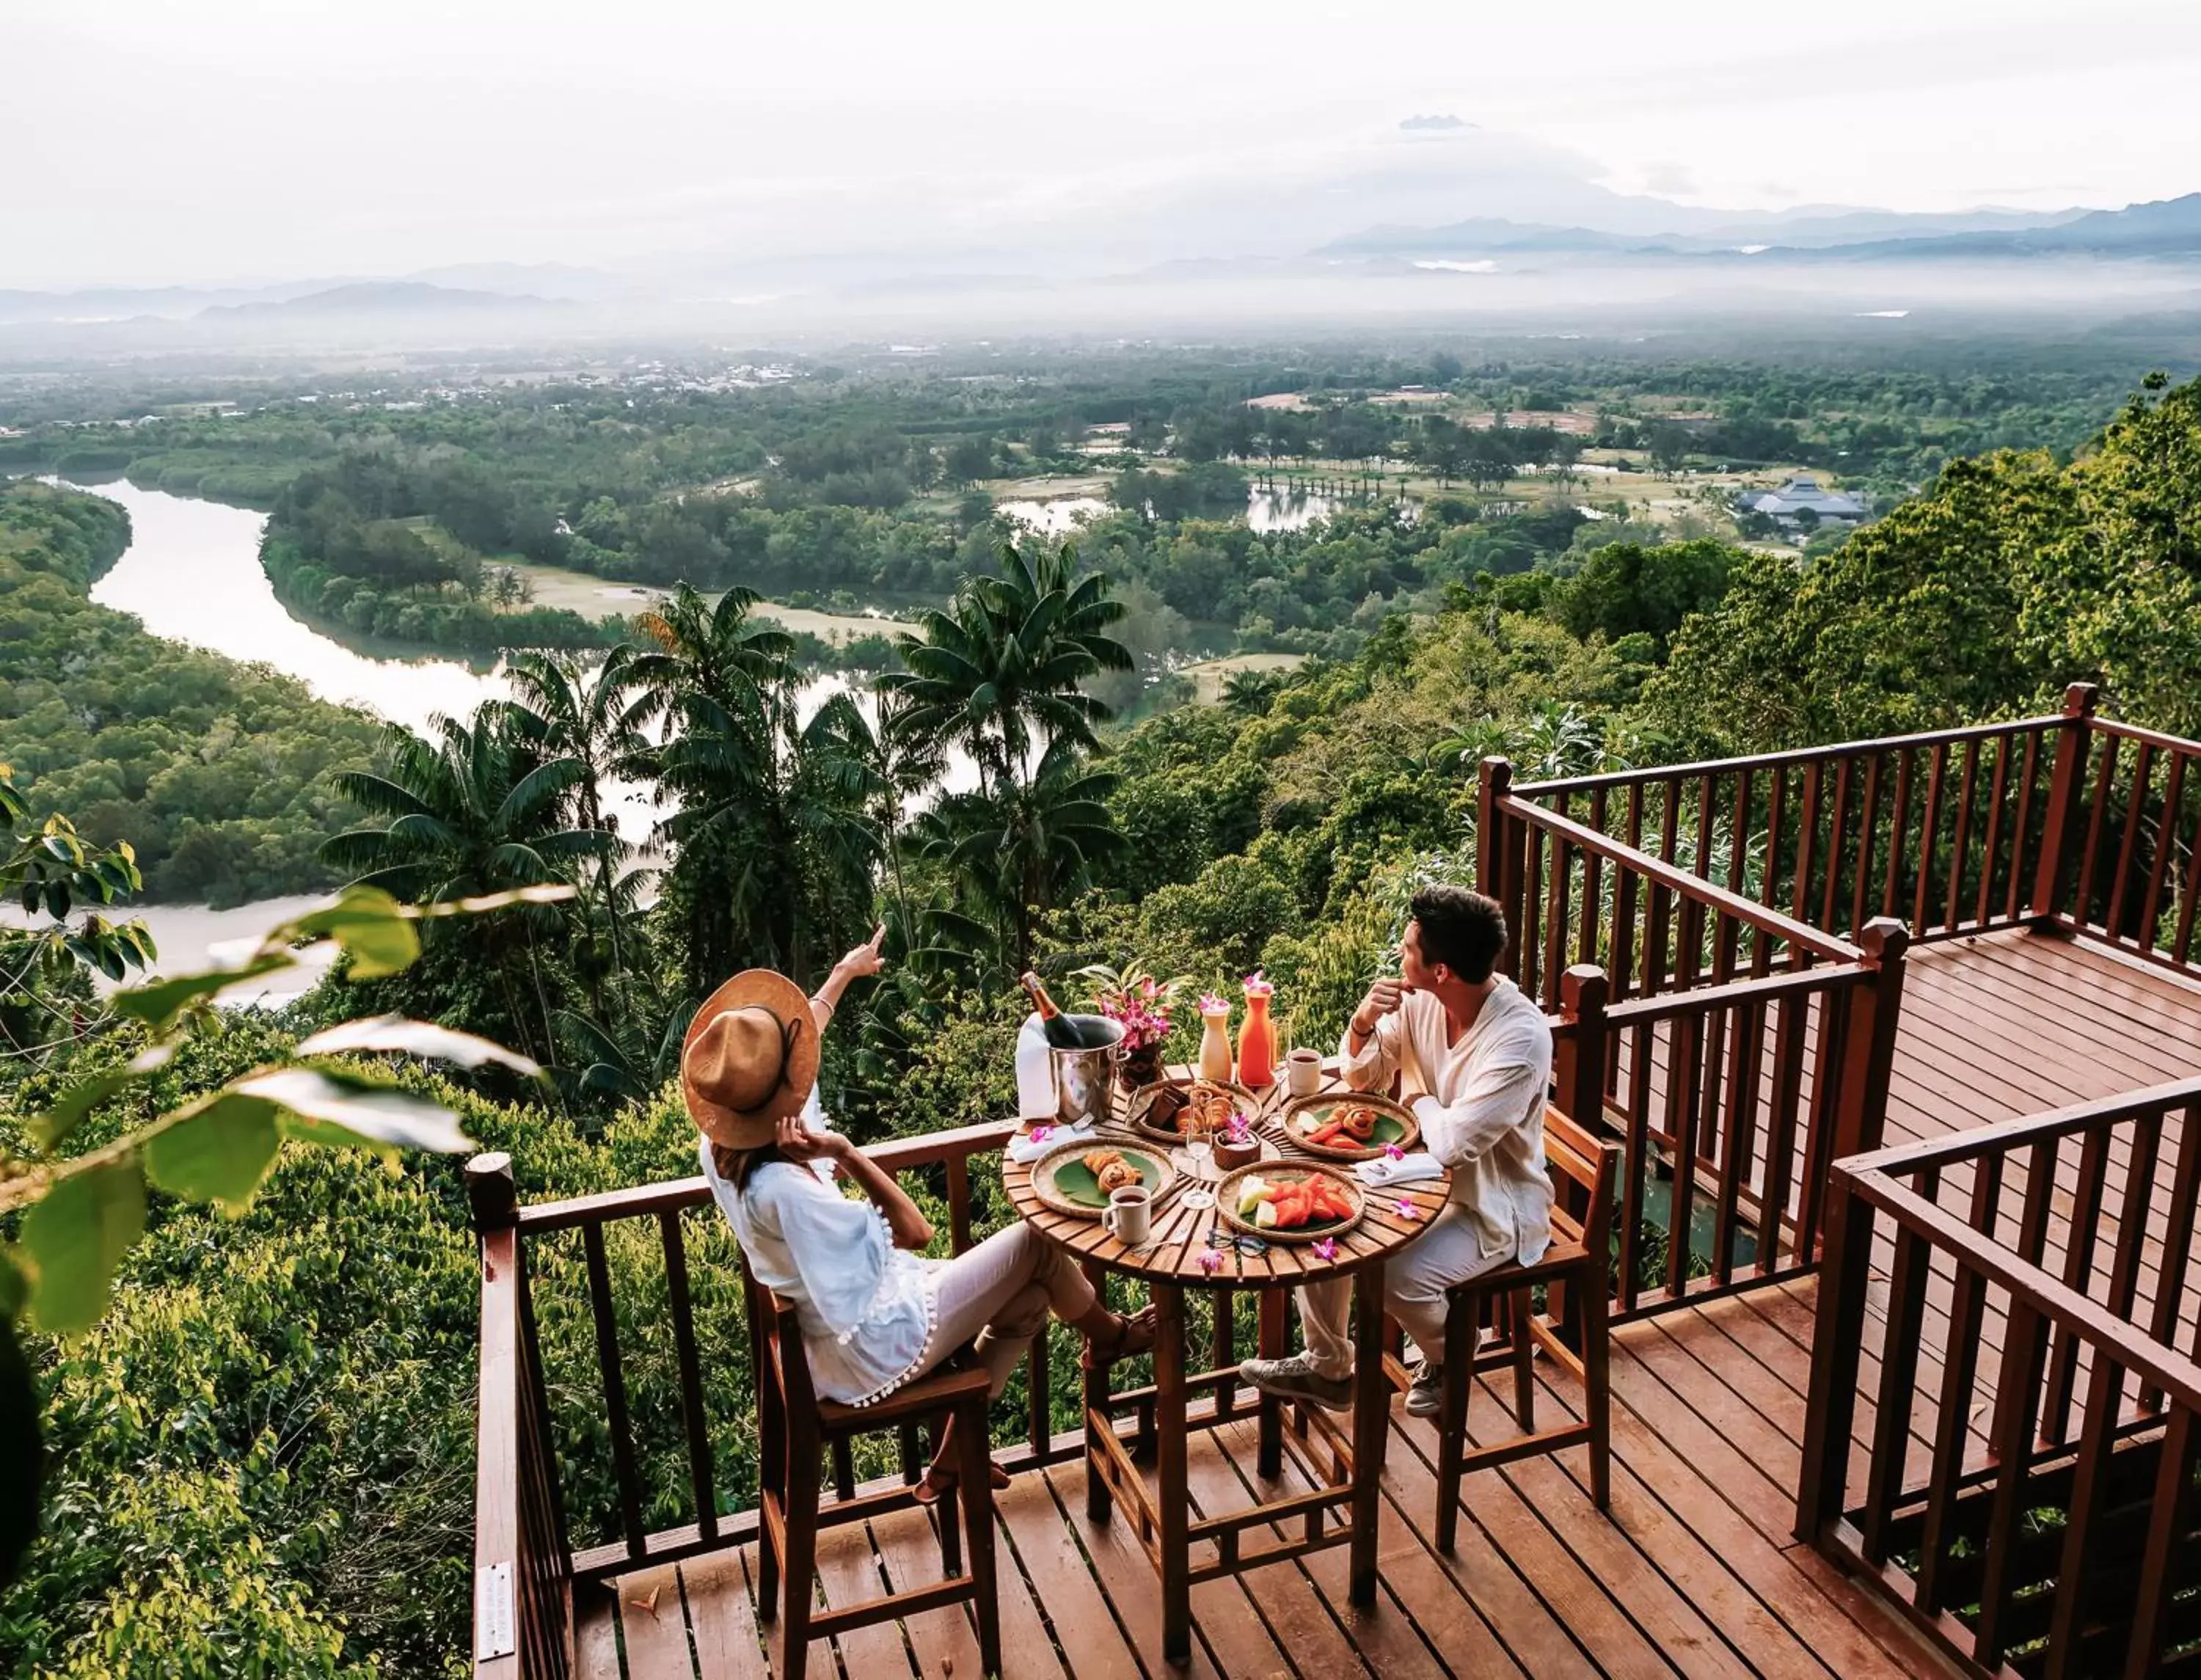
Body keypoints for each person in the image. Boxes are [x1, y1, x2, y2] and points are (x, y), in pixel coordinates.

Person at [689, 925, 1155, 1500]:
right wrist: (846, 1153)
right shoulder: (786, 1189)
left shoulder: (723, 1149)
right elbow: (915, 1232)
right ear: (780, 1090)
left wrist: (843, 974)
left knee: (1033, 1299)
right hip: (871, 1340)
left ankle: (955, 1459)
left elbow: (806, 1038)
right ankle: (1111, 1335)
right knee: (1036, 1243)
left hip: (830, 1325)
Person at [1239, 885, 1553, 1417]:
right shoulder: (1422, 1001)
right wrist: (1362, 1025)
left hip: (1492, 1207)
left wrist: (1423, 1099)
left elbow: (1454, 1144)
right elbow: (1365, 1077)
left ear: (1442, 971)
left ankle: (1450, 1353)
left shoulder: (1518, 1041)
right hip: (1422, 1179)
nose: (1400, 956)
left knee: (1396, 1276)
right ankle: (1328, 1366)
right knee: (1324, 1217)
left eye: (1409, 948)